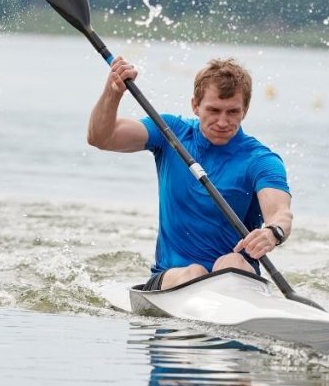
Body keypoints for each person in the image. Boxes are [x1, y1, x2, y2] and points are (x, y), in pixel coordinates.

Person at [87, 56, 292, 291]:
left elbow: (280, 213)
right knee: (194, 272)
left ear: (245, 110)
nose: (223, 121)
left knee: (231, 262)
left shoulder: (260, 160)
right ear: (195, 105)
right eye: (213, 110)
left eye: (233, 112)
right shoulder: (170, 133)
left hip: (236, 279)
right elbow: (101, 138)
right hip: (173, 279)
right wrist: (113, 93)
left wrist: (272, 232)